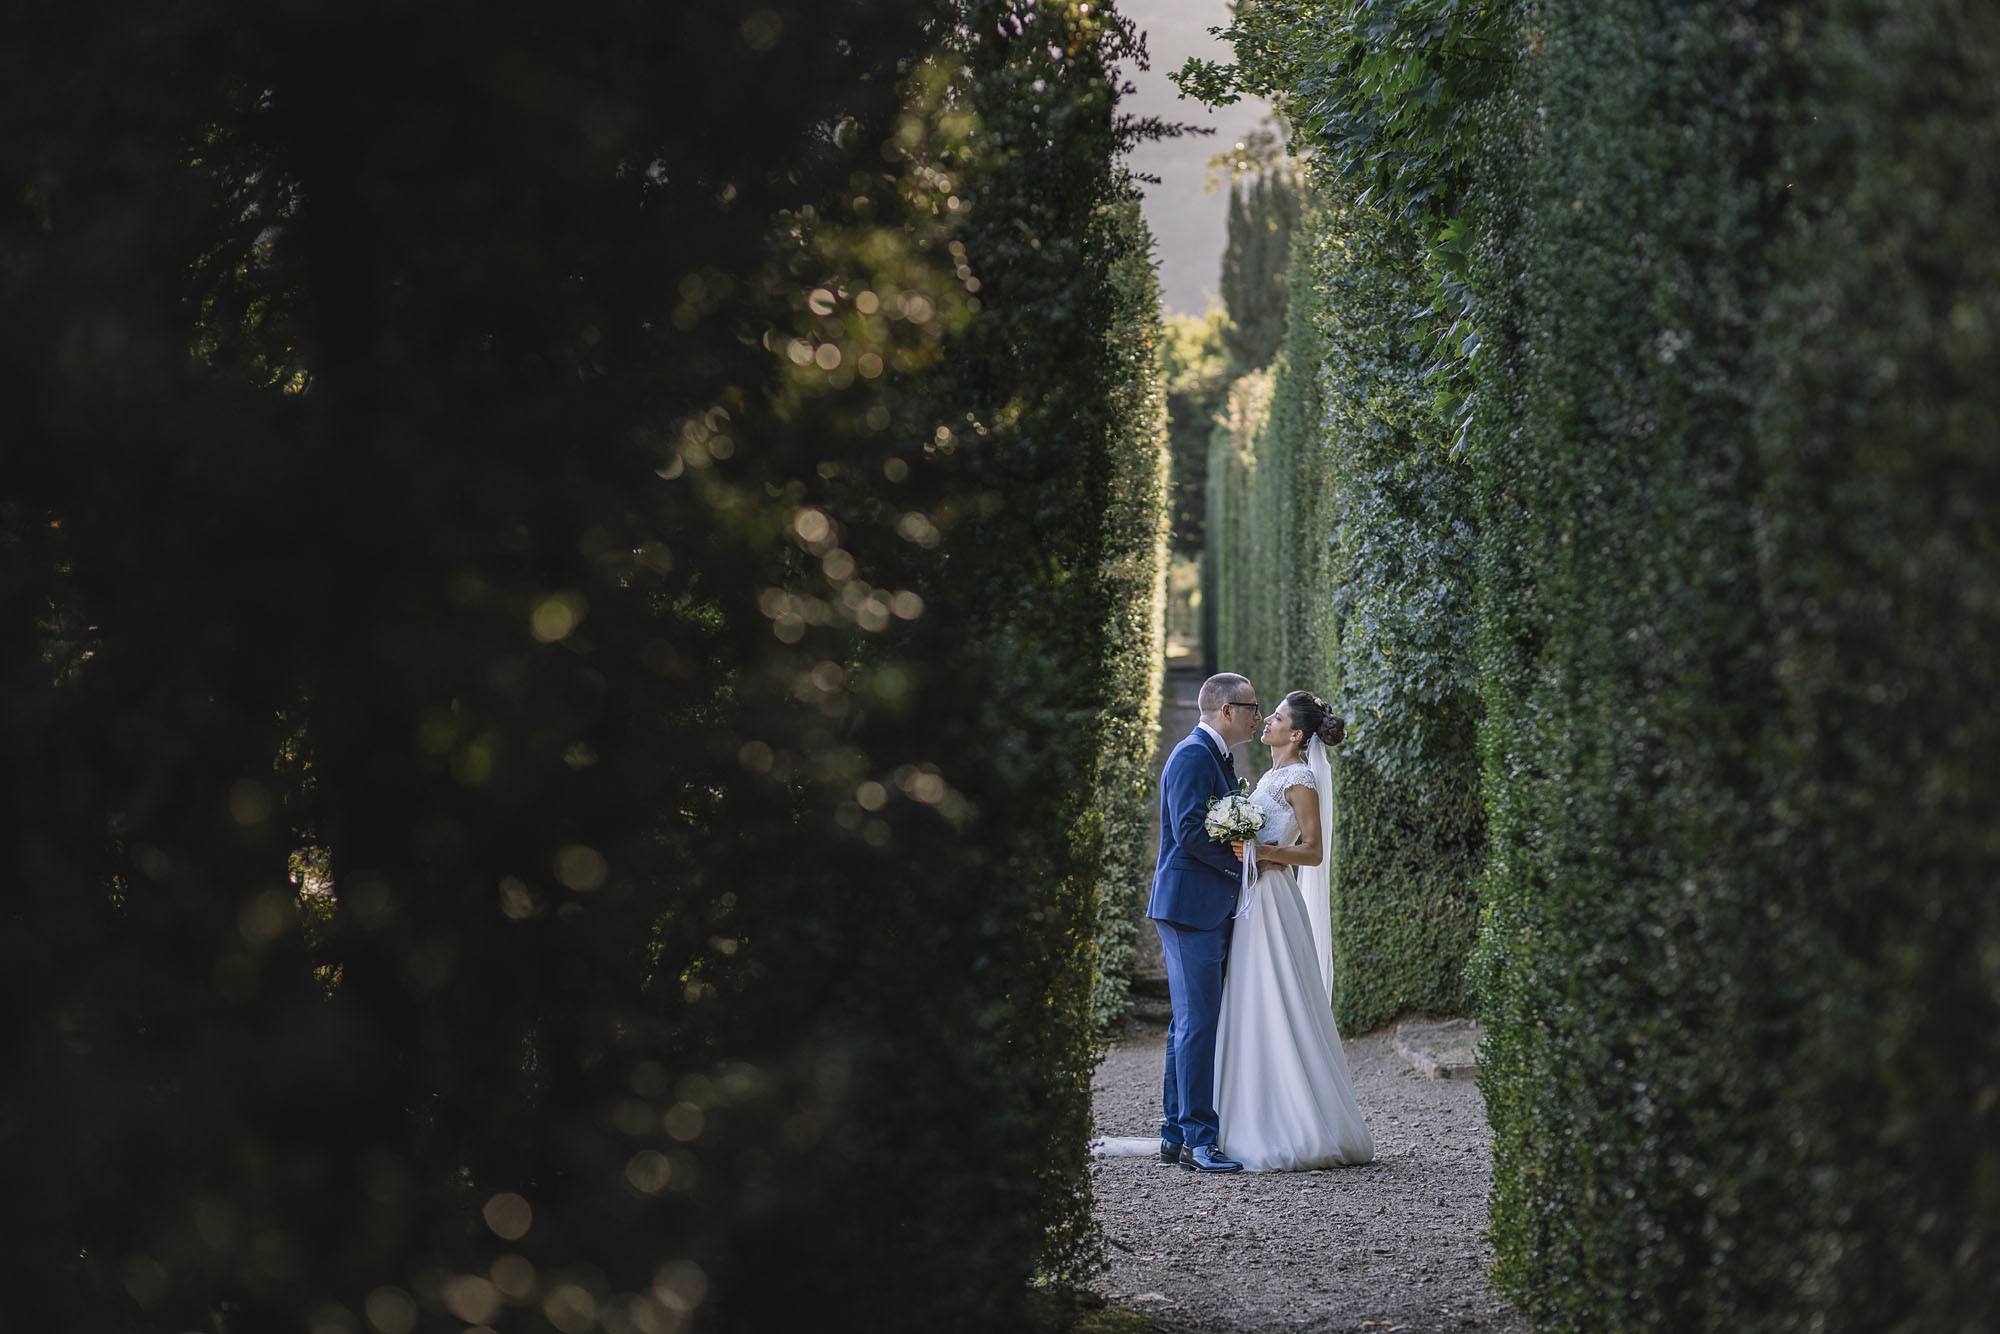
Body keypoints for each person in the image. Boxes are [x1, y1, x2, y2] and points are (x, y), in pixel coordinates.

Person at [1214, 690, 1374, 1171]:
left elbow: (1314, 851)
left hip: (1273, 897)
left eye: (1278, 718)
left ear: (1297, 734)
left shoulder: (1302, 780)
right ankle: (1242, 1112)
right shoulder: (1269, 775)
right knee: (1250, 997)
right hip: (1252, 897)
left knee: (1275, 995)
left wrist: (1264, 853)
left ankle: (1294, 1119)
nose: (1267, 722)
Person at [1146, 672, 1262, 1172]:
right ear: (1225, 710)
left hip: (1196, 905)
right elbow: (1192, 832)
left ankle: (1176, 1134)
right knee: (1198, 1024)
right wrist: (1243, 868)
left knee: (1187, 1025)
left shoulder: (1213, 755)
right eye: (1252, 706)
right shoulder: (1194, 754)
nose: (1259, 716)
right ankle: (1198, 1140)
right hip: (1191, 908)